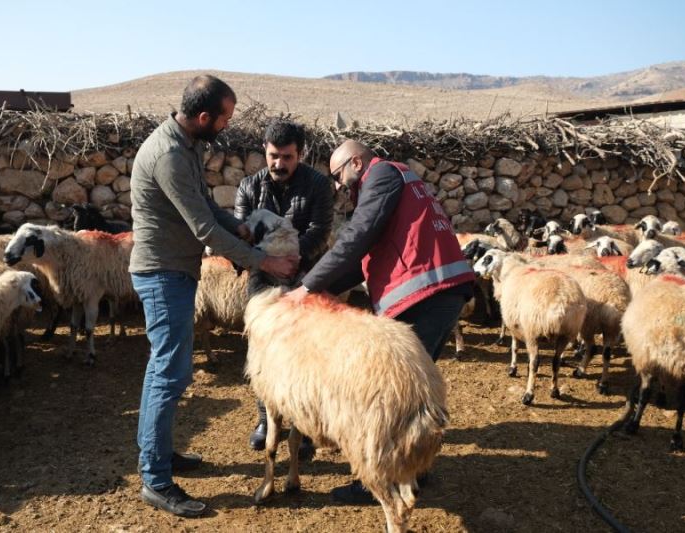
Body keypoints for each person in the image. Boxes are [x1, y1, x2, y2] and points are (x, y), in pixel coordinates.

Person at [129, 75, 298, 518]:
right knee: (167, 375)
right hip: (162, 273)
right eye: (223, 118)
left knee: (173, 373)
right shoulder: (168, 155)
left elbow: (206, 207)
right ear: (204, 117)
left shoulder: (186, 146)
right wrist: (263, 260)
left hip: (175, 271)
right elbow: (200, 228)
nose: (225, 126)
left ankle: (160, 453)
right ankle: (156, 477)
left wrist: (236, 225)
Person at [285, 139, 475, 504]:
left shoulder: (382, 175)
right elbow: (362, 258)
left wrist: (306, 287)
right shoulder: (395, 182)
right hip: (438, 292)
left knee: (389, 396)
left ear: (357, 161)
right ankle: (414, 471)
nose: (340, 185)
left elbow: (355, 238)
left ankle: (377, 479)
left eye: (340, 175)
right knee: (411, 391)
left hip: (425, 294)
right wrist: (320, 289)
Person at [234, 119, 334, 453]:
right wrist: (268, 261)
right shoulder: (249, 187)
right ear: (265, 149)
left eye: (287, 157)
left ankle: (303, 426)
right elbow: (241, 235)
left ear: (300, 154)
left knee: (306, 352)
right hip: (262, 281)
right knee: (260, 350)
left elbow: (320, 230)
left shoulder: (318, 185)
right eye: (274, 155)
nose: (279, 164)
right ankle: (266, 419)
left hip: (305, 277)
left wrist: (292, 258)